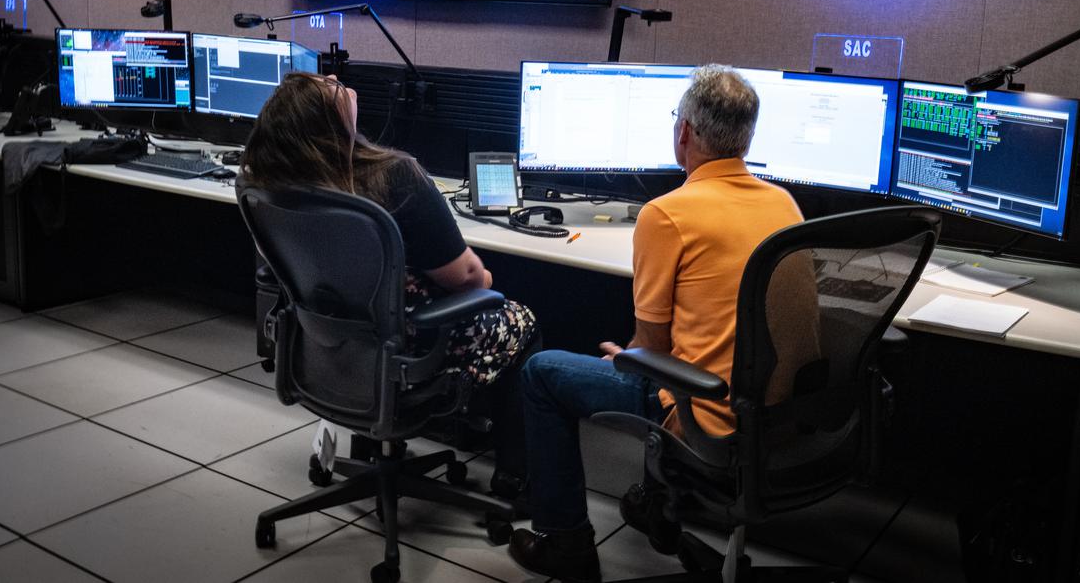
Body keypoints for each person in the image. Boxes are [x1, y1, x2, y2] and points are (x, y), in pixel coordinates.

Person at [508, 65, 804, 582]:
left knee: (540, 372)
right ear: (746, 137)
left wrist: (623, 357)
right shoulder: (784, 204)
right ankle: (656, 506)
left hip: (707, 411)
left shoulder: (667, 213)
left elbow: (653, 348)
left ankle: (567, 544)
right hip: (782, 412)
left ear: (684, 132)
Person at [240, 72, 538, 494]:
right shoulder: (395, 176)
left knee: (379, 311)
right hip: (411, 345)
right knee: (520, 319)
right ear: (329, 121)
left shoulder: (270, 185)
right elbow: (469, 278)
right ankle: (516, 477)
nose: (335, 76)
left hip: (324, 342)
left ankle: (368, 444)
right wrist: (488, 279)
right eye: (328, 85)